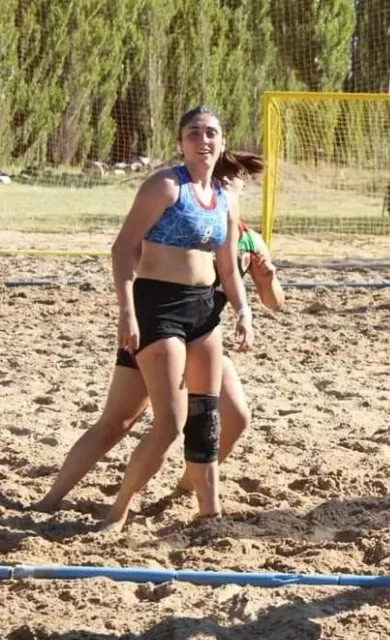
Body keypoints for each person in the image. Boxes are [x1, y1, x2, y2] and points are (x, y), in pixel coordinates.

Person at [34, 193, 283, 513]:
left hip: (203, 336)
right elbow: (134, 256)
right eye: (221, 180)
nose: (226, 187)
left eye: (233, 180)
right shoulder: (186, 230)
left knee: (235, 416)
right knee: (119, 422)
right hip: (160, 328)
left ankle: (187, 485)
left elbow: (276, 302)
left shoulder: (249, 241)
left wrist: (268, 278)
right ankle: (52, 501)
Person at [105, 106, 256, 532]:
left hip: (203, 311)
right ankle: (118, 511)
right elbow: (121, 248)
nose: (203, 140)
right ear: (181, 142)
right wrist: (127, 312)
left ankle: (210, 513)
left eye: (211, 133)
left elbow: (227, 268)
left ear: (221, 143)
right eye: (194, 133)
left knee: (206, 417)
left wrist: (243, 312)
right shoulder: (165, 186)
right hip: (159, 307)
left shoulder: (225, 200)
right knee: (168, 423)